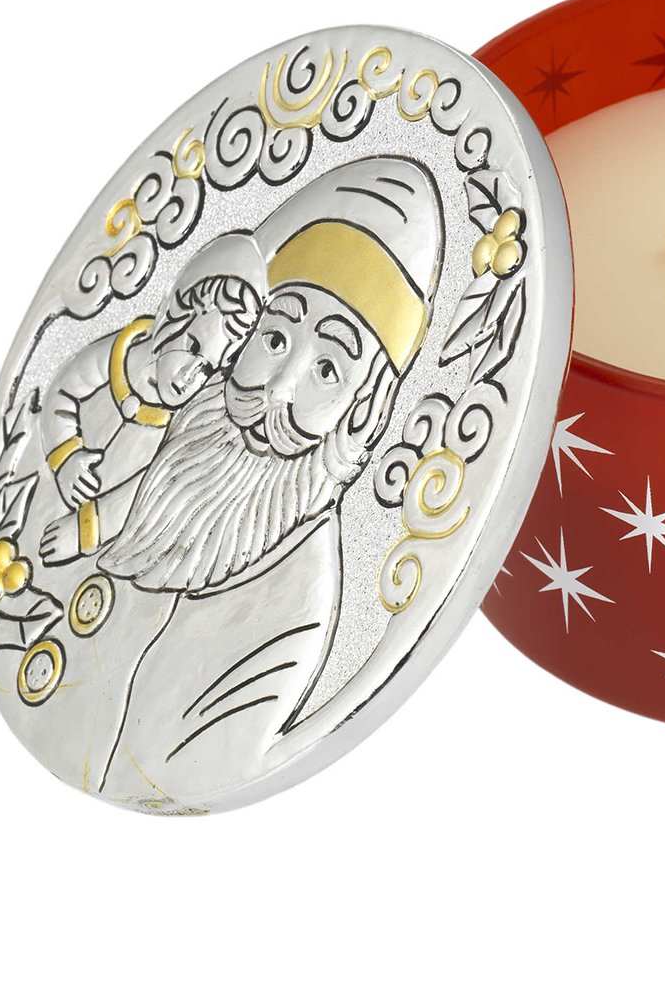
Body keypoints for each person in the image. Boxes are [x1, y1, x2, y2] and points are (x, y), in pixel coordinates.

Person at [96, 157, 443, 808]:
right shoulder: (142, 455)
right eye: (275, 337)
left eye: (327, 371)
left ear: (363, 411)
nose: (275, 392)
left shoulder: (293, 615)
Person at [36, 232, 266, 564]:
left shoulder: (184, 423)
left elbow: (148, 488)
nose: (189, 377)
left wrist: (86, 530)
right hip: (45, 488)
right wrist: (65, 457)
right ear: (175, 315)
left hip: (86, 536)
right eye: (193, 347)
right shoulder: (120, 354)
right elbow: (63, 389)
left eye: (207, 369)